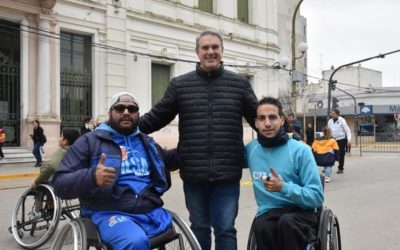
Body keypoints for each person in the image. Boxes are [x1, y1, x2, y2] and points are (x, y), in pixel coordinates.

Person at [138, 30, 258, 250]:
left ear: (222, 51)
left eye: (215, 47)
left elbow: (260, 119)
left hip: (227, 172)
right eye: (205, 48)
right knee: (199, 227)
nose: (210, 52)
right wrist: (118, 129)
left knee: (225, 228)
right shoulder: (180, 85)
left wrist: (289, 136)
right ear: (197, 52)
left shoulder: (239, 84)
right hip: (193, 172)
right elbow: (157, 116)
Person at [52, 92, 179, 250]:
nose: (126, 112)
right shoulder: (89, 141)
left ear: (138, 115)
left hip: (150, 211)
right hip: (108, 212)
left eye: (131, 109)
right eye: (120, 108)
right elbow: (60, 184)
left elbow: (171, 160)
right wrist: (92, 177)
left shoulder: (147, 142)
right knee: (135, 241)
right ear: (110, 113)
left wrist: (193, 143)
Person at [245, 96, 324, 250]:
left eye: (272, 117)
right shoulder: (251, 150)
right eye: (262, 118)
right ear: (256, 123)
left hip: (301, 213)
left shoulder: (301, 150)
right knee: (261, 225)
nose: (267, 123)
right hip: (269, 212)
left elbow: (317, 197)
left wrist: (283, 187)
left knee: (286, 222)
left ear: (282, 121)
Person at [327, 109, 351, 174]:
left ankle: (340, 168)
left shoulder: (342, 120)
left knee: (341, 154)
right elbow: (328, 131)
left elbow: (347, 131)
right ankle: (328, 167)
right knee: (330, 153)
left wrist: (349, 140)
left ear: (337, 114)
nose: (332, 115)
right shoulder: (330, 121)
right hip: (332, 140)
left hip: (341, 140)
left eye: (333, 114)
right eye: (331, 113)